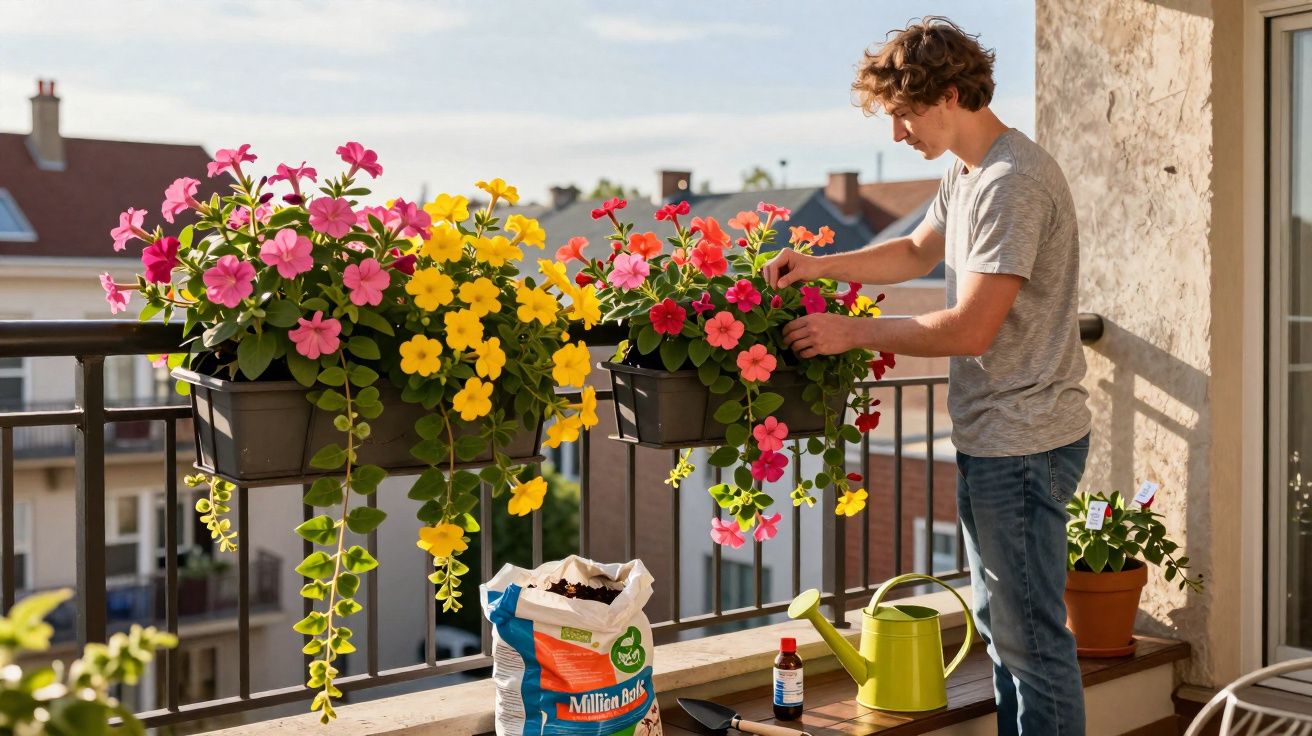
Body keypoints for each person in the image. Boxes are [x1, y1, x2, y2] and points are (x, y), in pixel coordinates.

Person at [765, 17, 1092, 736]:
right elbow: (916, 251)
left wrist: (849, 331)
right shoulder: (970, 172)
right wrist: (821, 265)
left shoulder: (1014, 182)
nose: (897, 135)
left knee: (1031, 644)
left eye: (904, 115)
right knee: (1008, 635)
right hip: (998, 438)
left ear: (950, 94)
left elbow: (972, 328)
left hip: (1025, 443)